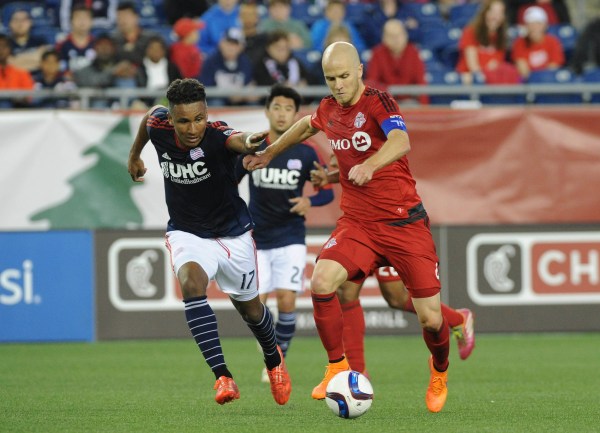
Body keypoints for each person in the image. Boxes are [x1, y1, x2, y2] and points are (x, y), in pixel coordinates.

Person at [243, 41, 452, 413]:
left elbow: (402, 140)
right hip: (358, 222)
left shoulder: (378, 102)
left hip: (404, 221)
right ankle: (336, 365)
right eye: (330, 78)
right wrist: (271, 151)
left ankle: (439, 369)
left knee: (430, 318)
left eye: (343, 76)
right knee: (322, 283)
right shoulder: (328, 108)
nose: (337, 84)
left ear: (358, 70)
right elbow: (307, 126)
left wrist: (371, 164)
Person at [127, 78, 291, 406]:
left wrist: (252, 142)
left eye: (198, 118)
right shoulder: (159, 124)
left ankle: (274, 362)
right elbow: (148, 119)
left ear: (206, 113)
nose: (192, 128)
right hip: (187, 232)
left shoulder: (217, 134)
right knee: (190, 283)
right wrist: (134, 155)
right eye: (184, 120)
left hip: (234, 236)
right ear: (171, 119)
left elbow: (237, 140)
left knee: (252, 312)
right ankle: (222, 377)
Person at [310, 157, 475, 375]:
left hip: (395, 224)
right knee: (345, 290)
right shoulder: (345, 134)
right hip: (362, 224)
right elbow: (353, 173)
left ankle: (457, 319)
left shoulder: (381, 135)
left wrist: (337, 171)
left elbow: (376, 169)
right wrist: (331, 176)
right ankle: (357, 371)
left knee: (395, 297)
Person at [235, 84, 334, 382]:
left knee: (288, 302)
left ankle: (277, 361)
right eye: (276, 107)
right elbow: (232, 176)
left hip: (290, 235)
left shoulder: (305, 151)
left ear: (295, 114)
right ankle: (270, 348)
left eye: (288, 109)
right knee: (256, 307)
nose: (281, 114)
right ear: (266, 111)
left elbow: (326, 190)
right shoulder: (253, 144)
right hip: (256, 237)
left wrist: (310, 200)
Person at [455, 0, 520, 85]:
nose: (495, 16)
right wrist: (487, 70)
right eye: (492, 11)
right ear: (485, 13)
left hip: (492, 79)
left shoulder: (501, 36)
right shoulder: (470, 32)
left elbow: (497, 64)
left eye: (500, 12)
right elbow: (473, 66)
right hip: (471, 79)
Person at [365, 19, 428, 105]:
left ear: (405, 35)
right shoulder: (377, 54)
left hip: (408, 102)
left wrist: (424, 110)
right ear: (384, 38)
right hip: (385, 102)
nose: (396, 39)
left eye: (399, 35)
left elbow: (421, 83)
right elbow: (372, 83)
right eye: (391, 36)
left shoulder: (414, 52)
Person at [199, 27, 256, 106]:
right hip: (218, 100)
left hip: (241, 100)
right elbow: (206, 88)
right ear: (221, 44)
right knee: (216, 103)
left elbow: (249, 83)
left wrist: (243, 95)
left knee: (253, 104)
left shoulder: (245, 62)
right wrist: (229, 96)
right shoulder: (211, 62)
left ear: (241, 47)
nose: (231, 48)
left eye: (235, 45)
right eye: (228, 43)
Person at [511, 6, 564, 81]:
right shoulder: (519, 43)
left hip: (548, 82)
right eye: (531, 24)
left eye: (538, 24)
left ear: (544, 25)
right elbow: (523, 70)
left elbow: (554, 67)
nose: (534, 28)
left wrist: (540, 77)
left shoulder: (553, 42)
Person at [55, 4, 97, 78]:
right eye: (78, 18)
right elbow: (57, 68)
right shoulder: (62, 45)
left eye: (85, 18)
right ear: (71, 21)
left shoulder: (97, 44)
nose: (82, 21)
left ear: (91, 21)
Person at [0, 33, 35, 108]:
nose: (1, 50)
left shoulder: (22, 74)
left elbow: (28, 97)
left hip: (17, 112)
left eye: (4, 46)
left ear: (9, 49)